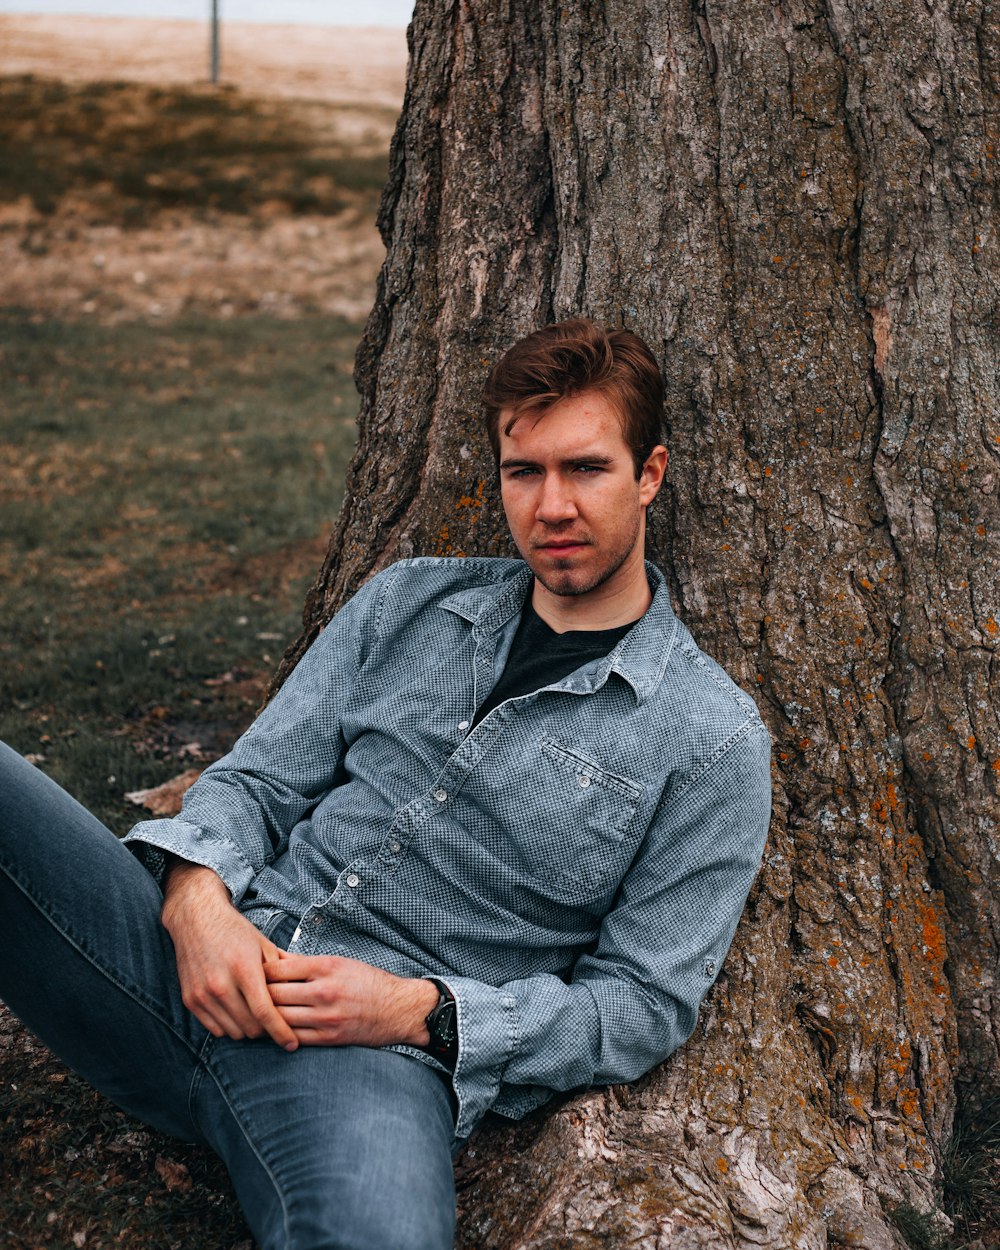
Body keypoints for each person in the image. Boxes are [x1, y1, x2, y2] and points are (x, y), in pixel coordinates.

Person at [0, 318, 771, 1250]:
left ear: (649, 474)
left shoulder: (710, 740)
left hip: (366, 1062)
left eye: (587, 469)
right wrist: (194, 903)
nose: (552, 506)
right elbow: (255, 780)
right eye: (524, 472)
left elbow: (642, 1006)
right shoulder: (410, 601)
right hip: (177, 965)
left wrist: (416, 1011)